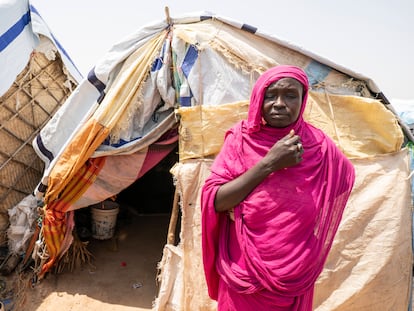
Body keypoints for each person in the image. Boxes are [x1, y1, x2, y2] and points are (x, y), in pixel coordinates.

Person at [201, 65, 355, 310]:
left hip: (296, 267)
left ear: (303, 100)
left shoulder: (319, 146)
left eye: (290, 95)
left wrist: (304, 215)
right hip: (243, 267)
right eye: (270, 95)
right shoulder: (241, 140)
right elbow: (216, 200)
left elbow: (343, 178)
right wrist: (270, 163)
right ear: (258, 99)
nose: (279, 103)